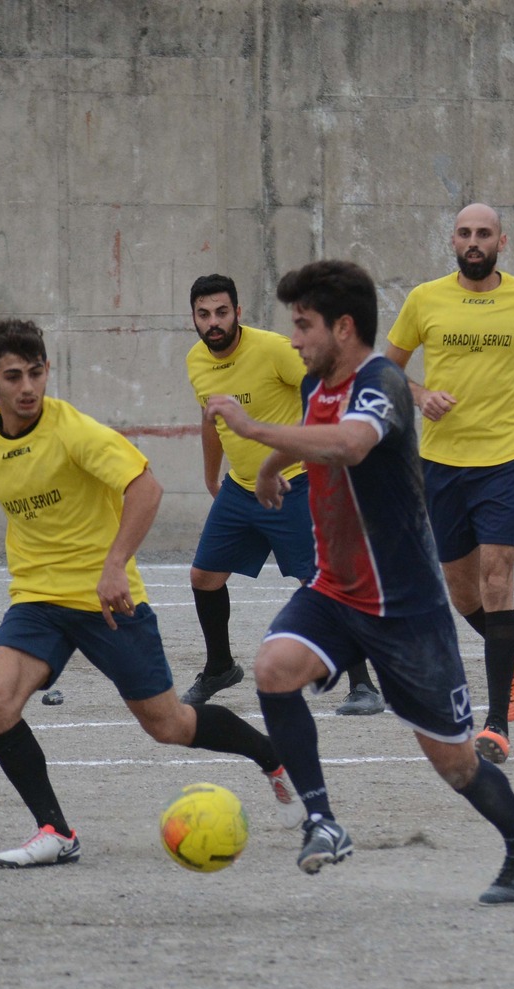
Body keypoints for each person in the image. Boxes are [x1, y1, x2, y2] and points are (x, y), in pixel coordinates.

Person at [208, 259, 514, 905]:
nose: (294, 339)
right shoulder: (320, 383)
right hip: (336, 590)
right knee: (274, 668)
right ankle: (322, 820)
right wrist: (271, 465)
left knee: (455, 764)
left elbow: (349, 444)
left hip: (405, 610)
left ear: (343, 327)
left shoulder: (383, 383)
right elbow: (316, 432)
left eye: (304, 325)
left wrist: (251, 430)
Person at [0, 319, 299, 868]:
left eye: (36, 373)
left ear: (47, 370)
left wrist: (115, 564)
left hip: (109, 602)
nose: (27, 387)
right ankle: (56, 831)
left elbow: (146, 487)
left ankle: (272, 757)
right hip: (37, 601)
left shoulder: (74, 431)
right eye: (13, 376)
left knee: (169, 725)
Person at [384, 203, 514, 764]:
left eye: (484, 234)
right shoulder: (424, 299)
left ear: (502, 241)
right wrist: (421, 395)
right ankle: (510, 644)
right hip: (441, 463)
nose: (474, 241)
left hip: (504, 460)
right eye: (465, 233)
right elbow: (387, 367)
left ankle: (495, 726)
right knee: (463, 593)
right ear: (453, 240)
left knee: (498, 579)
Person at [180, 274, 383, 715]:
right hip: (241, 488)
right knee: (203, 577)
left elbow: (329, 391)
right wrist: (212, 478)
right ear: (193, 318)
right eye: (204, 314)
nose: (213, 322)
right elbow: (210, 419)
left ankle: (362, 683)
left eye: (222, 312)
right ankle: (220, 667)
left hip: (296, 484)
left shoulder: (273, 350)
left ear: (238, 312)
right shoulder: (196, 360)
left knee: (325, 581)